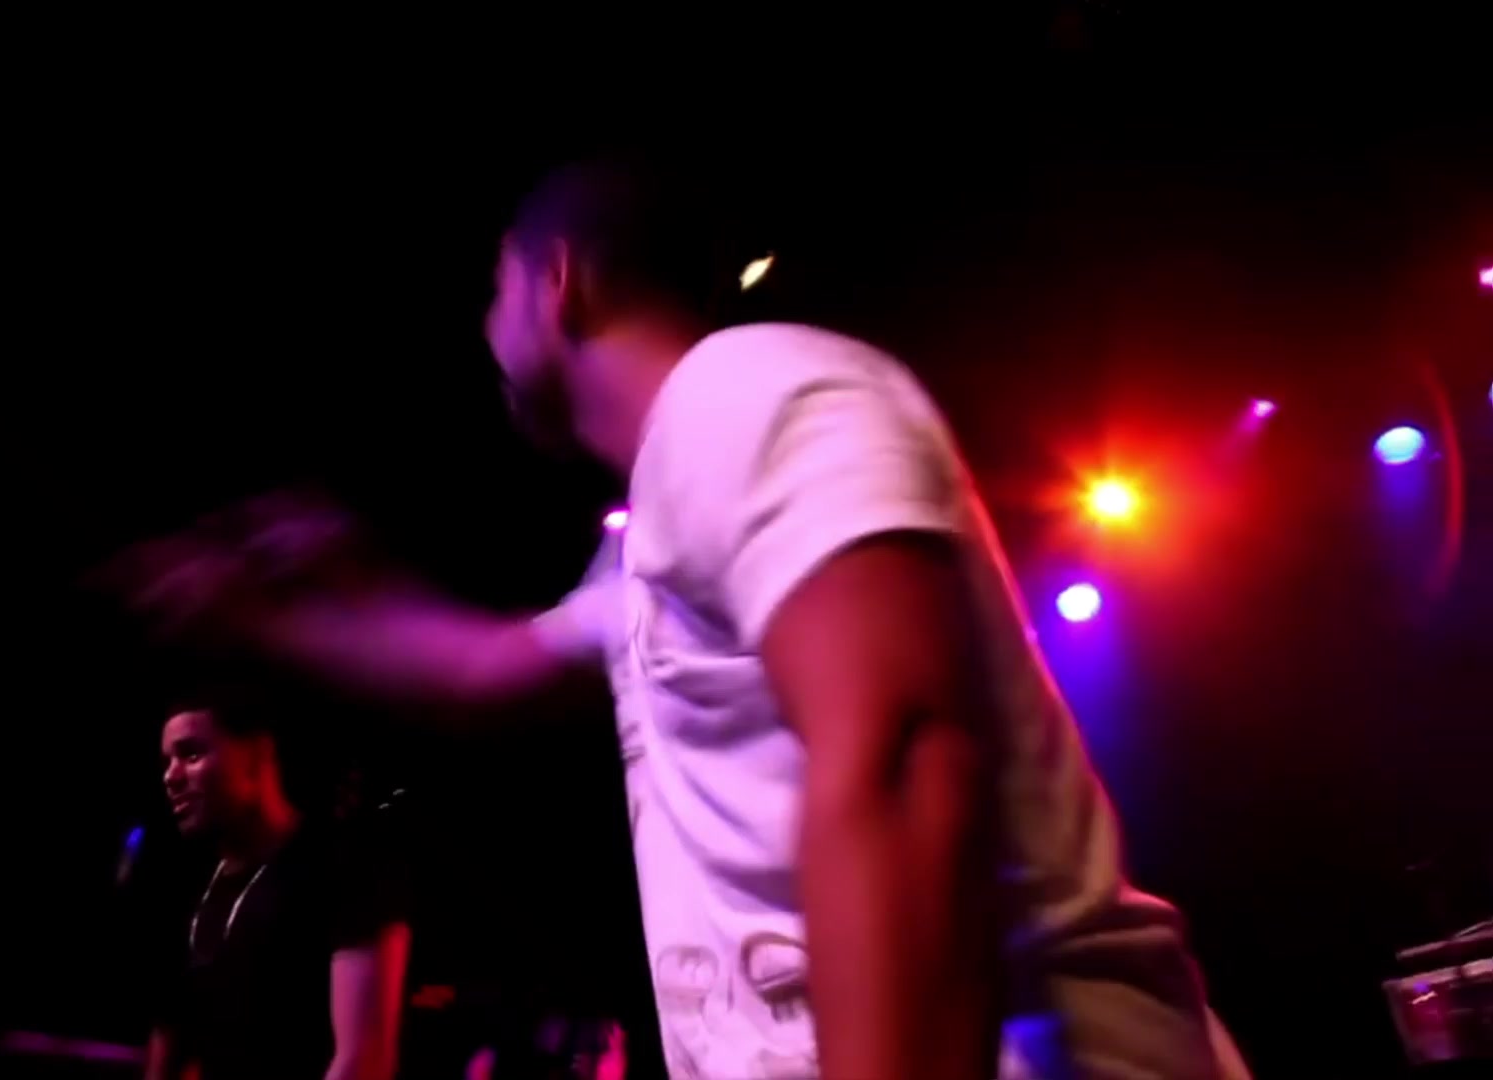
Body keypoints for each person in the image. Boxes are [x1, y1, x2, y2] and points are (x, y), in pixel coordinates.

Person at [120, 160, 1244, 1079]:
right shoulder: (654, 529)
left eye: (493, 289)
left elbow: (905, 757)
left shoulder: (745, 392)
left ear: (558, 282)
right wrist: (283, 612)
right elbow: (487, 667)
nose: (483, 325)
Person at [147, 699, 410, 1080]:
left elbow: (364, 1059)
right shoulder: (189, 887)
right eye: (166, 761)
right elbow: (171, 1037)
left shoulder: (345, 868)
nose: (170, 777)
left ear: (257, 755)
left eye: (191, 755)